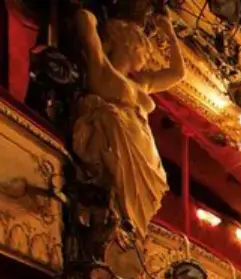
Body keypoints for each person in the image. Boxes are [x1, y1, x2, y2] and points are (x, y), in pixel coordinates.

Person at [72, 6, 186, 236]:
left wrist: (170, 33)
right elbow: (84, 19)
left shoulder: (141, 83)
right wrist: (93, 21)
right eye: (144, 49)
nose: (147, 56)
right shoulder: (101, 66)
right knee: (118, 203)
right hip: (120, 144)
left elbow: (177, 74)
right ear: (128, 44)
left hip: (143, 150)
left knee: (128, 213)